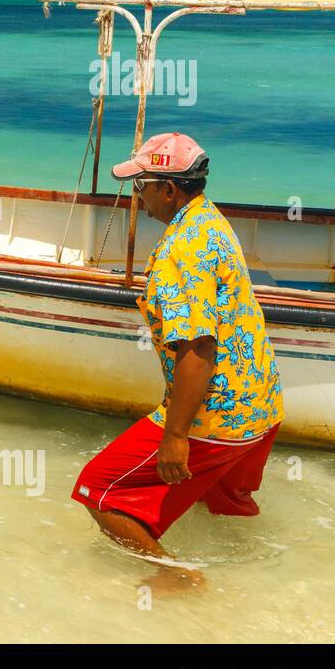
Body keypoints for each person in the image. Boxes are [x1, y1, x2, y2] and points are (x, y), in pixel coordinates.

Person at [70, 132, 284, 588]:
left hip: (219, 417)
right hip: (262, 407)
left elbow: (197, 349)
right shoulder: (209, 219)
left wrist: (176, 436)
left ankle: (179, 578)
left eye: (141, 185)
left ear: (169, 189)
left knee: (99, 490)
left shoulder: (179, 252)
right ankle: (261, 587)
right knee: (227, 512)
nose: (138, 196)